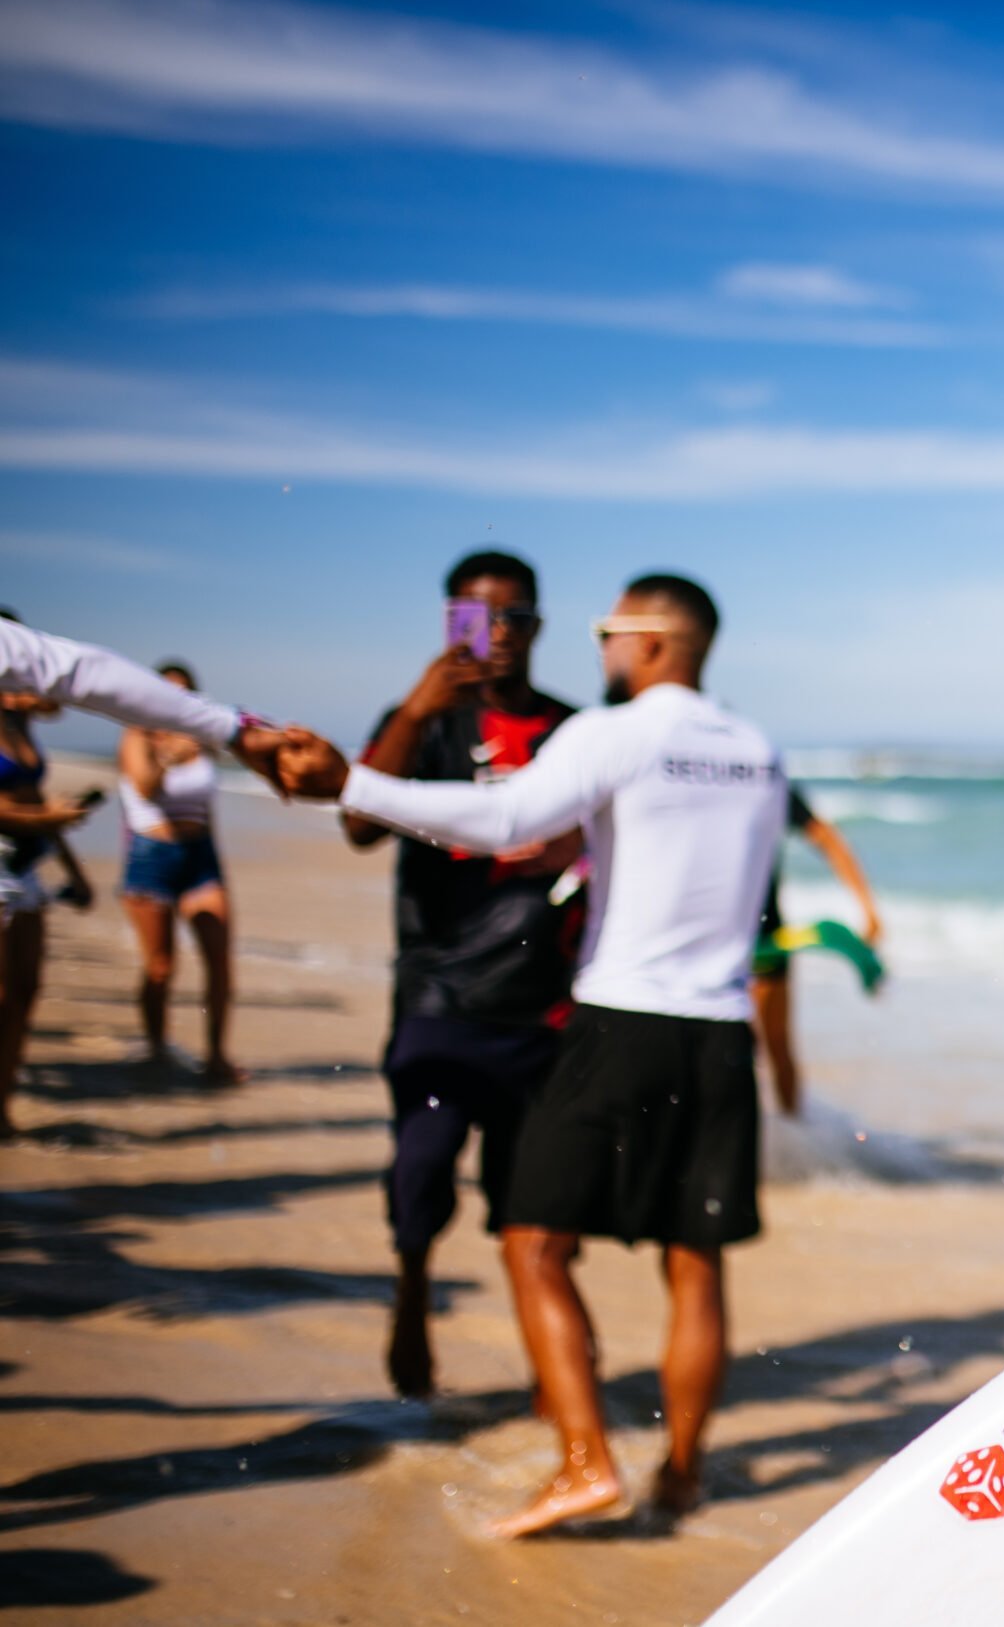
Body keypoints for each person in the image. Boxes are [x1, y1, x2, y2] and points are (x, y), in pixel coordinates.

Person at [274, 574, 786, 1537]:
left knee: (532, 1240)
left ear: (651, 642)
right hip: (720, 1036)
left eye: (607, 631)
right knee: (696, 1264)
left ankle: (585, 1463)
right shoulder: (758, 751)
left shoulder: (612, 729)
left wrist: (350, 781)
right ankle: (682, 1477)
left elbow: (507, 821)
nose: (600, 652)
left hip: (619, 1021)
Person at [339, 552, 585, 1399]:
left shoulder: (572, 730)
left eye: (513, 617)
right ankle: (412, 1287)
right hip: (439, 992)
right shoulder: (423, 724)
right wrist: (415, 709)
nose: (497, 635)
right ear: (449, 623)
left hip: (542, 1005)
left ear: (539, 625)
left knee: (534, 1209)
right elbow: (359, 826)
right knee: (422, 1165)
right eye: (476, 619)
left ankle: (552, 1380)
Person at [119, 662, 242, 1088]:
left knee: (221, 962)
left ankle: (216, 1057)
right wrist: (170, 753)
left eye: (184, 693)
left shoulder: (202, 741)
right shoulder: (137, 735)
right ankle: (156, 1046)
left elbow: (207, 804)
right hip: (152, 854)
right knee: (161, 966)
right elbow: (145, 787)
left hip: (200, 856)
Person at [0, 613, 290, 779]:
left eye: (183, 693)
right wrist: (235, 730)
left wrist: (234, 730)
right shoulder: (139, 735)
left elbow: (80, 674)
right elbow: (84, 673)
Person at [749, 784, 885, 1119]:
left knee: (772, 1048)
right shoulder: (755, 776)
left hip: (763, 938)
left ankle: (793, 1146)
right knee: (749, 1051)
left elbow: (825, 837)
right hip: (730, 937)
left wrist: (868, 908)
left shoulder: (760, 778)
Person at [0, 673, 98, 1137]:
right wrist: (45, 817)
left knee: (25, 991)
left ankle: (4, 1104)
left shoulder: (20, 727)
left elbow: (37, 800)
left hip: (28, 864)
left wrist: (74, 870)